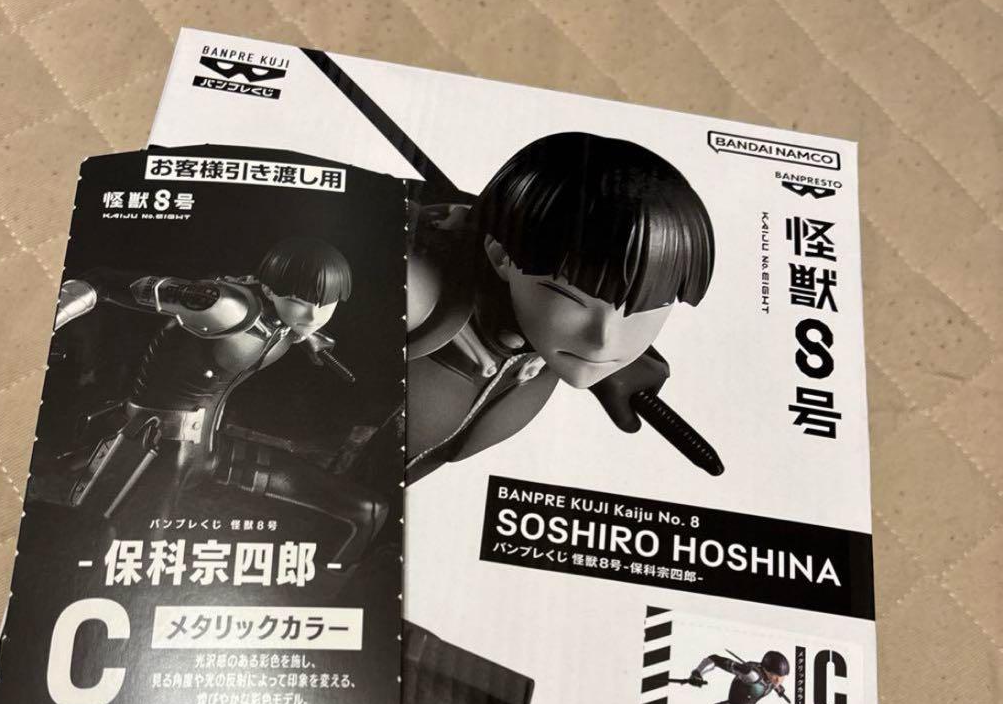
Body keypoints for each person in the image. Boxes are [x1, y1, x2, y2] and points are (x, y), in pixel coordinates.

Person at [52, 236, 387, 566]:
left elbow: (293, 323)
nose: (314, 315)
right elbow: (102, 282)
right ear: (269, 290)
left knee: (365, 510)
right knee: (123, 554)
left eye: (326, 303)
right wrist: (54, 313)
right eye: (300, 300)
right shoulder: (222, 305)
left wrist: (305, 335)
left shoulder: (286, 318)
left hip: (207, 448)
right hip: (152, 447)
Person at [404, 132, 718, 482]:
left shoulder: (548, 339)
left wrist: (610, 364)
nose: (603, 340)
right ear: (501, 255)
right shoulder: (416, 291)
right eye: (574, 300)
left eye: (645, 305)